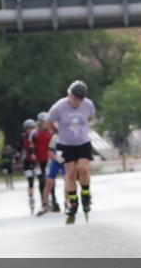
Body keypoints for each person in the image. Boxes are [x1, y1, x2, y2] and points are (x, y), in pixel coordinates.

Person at [45, 80, 97, 225]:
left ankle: (85, 195)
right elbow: (49, 121)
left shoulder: (88, 104)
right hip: (64, 145)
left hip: (83, 142)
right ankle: (73, 203)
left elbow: (91, 117)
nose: (77, 101)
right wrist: (55, 130)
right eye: (75, 97)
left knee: (84, 169)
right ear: (69, 94)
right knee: (71, 173)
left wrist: (83, 128)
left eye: (80, 98)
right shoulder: (59, 107)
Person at [37, 130, 64, 216]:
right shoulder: (55, 137)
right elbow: (49, 152)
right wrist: (57, 159)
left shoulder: (70, 135)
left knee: (69, 181)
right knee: (48, 182)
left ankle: (69, 202)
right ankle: (44, 205)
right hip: (55, 161)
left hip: (66, 161)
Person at [34, 112, 55, 209]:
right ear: (40, 122)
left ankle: (54, 200)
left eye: (47, 121)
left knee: (50, 181)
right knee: (41, 181)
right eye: (44, 122)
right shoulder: (35, 134)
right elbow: (32, 150)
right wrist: (35, 163)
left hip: (49, 160)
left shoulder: (50, 133)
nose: (45, 123)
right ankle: (44, 202)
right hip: (39, 161)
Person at [18, 119, 39, 214]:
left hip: (37, 162)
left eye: (31, 128)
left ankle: (46, 200)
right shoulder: (23, 137)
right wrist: (17, 159)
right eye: (27, 128)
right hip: (27, 162)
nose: (29, 130)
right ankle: (31, 198)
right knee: (30, 180)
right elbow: (19, 149)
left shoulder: (36, 136)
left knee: (42, 179)